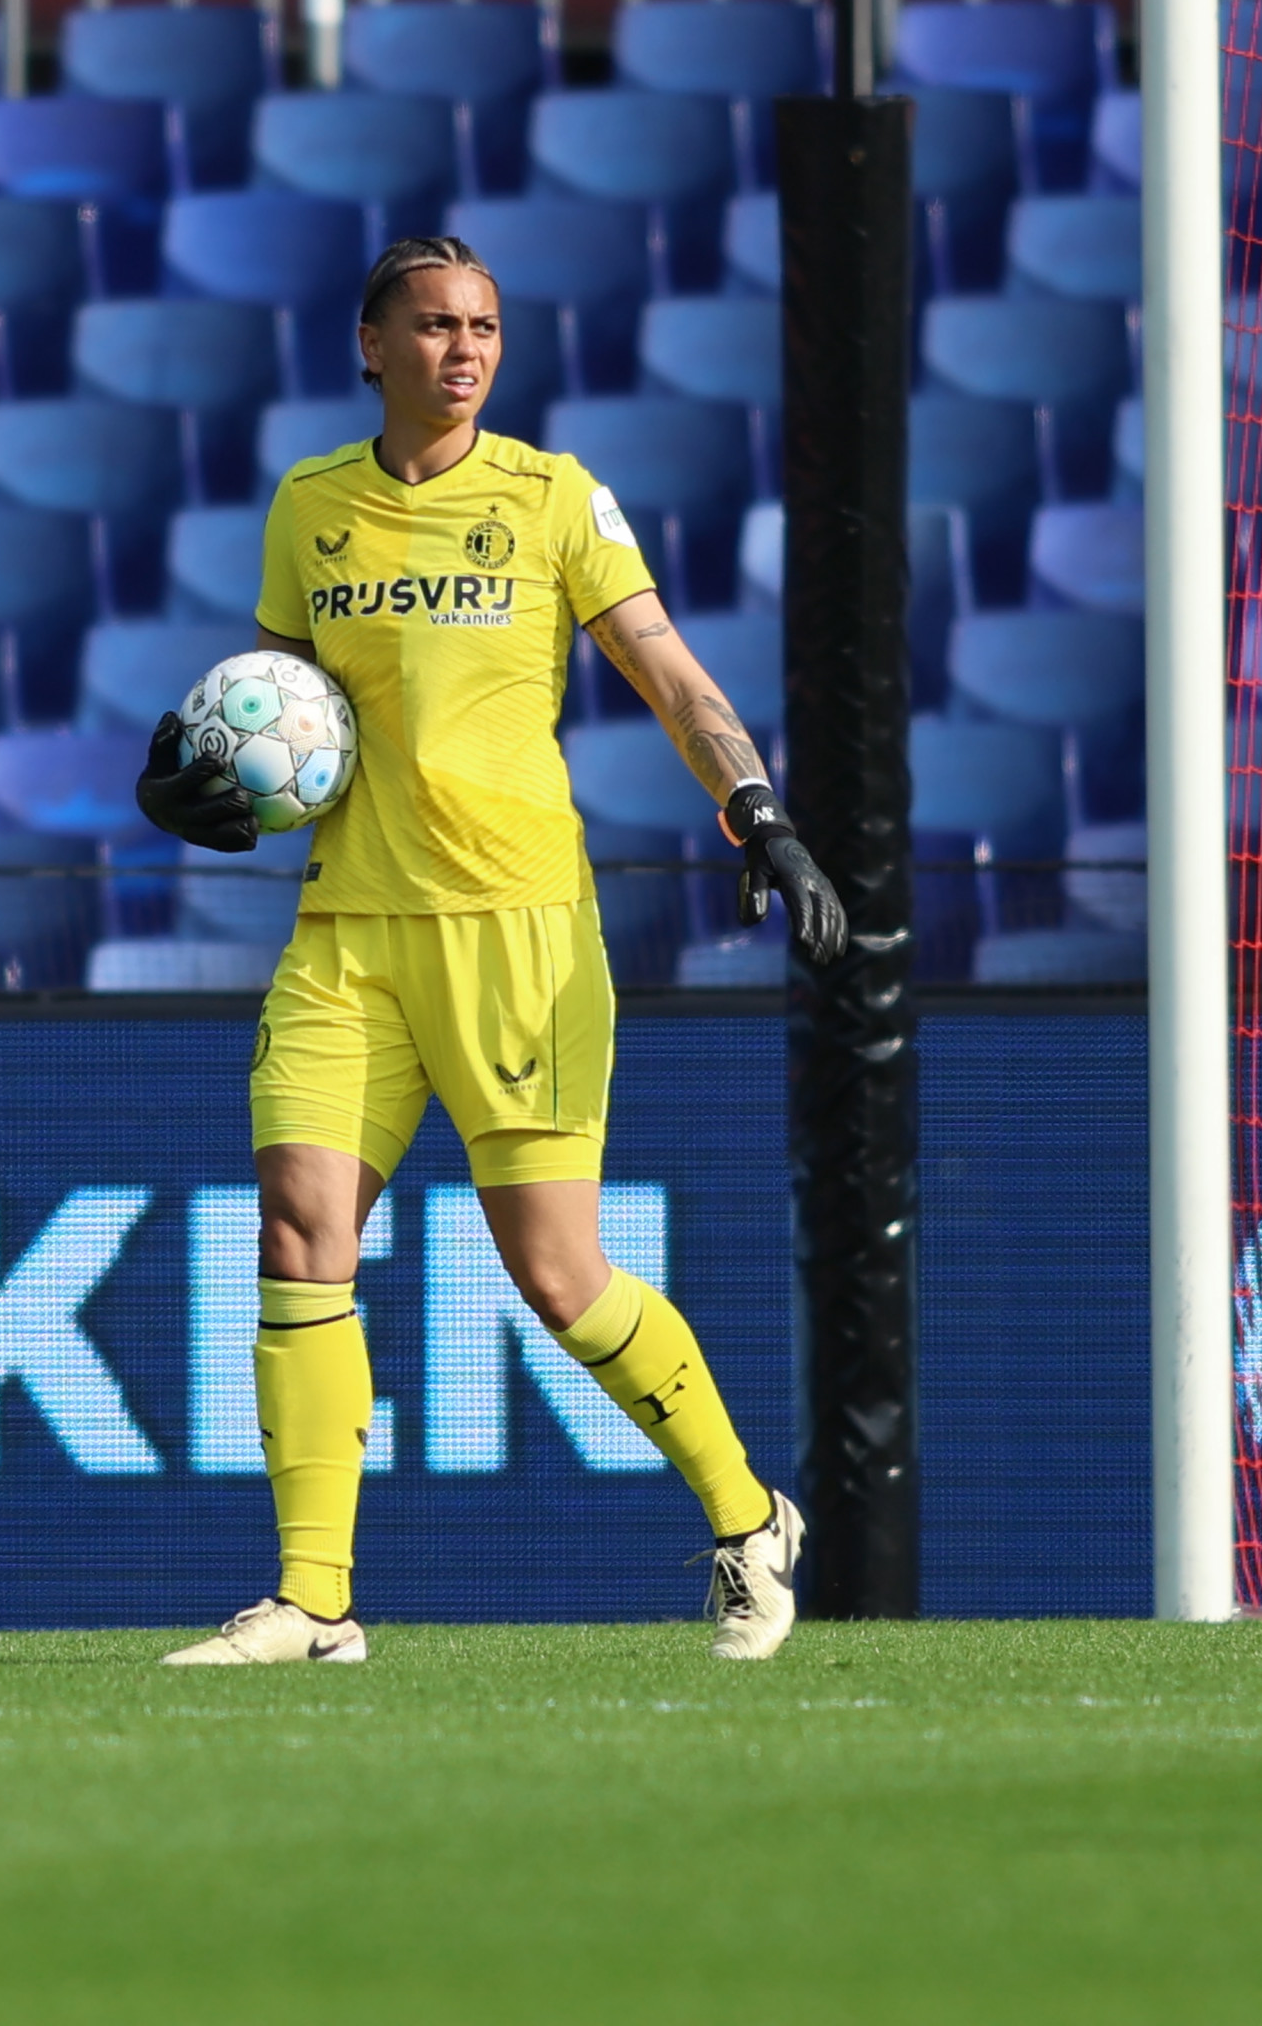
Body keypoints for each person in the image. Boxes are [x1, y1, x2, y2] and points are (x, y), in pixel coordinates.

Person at [136, 234, 849, 1666]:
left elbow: (665, 668)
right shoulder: (310, 508)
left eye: (485, 327)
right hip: (348, 932)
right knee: (298, 1227)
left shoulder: (552, 499)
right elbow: (288, 714)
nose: (465, 349)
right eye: (437, 325)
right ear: (371, 345)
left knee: (558, 1274)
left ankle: (748, 1515)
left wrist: (757, 810)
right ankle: (314, 1602)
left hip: (516, 931)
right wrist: (216, 780)